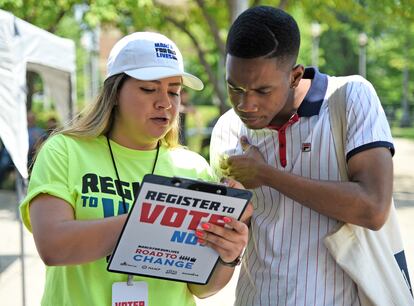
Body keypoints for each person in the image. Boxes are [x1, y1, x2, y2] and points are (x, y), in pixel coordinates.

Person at [20, 32, 251, 306]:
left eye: (174, 91)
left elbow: (201, 289)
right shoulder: (64, 151)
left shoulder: (193, 168)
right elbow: (53, 247)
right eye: (149, 89)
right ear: (114, 92)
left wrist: (228, 253)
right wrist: (155, 218)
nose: (165, 102)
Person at [209, 6, 407, 306]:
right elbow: (233, 239)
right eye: (234, 88)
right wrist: (234, 219)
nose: (245, 104)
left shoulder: (350, 97)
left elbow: (373, 208)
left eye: (262, 91)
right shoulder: (227, 128)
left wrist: (268, 176)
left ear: (294, 75)